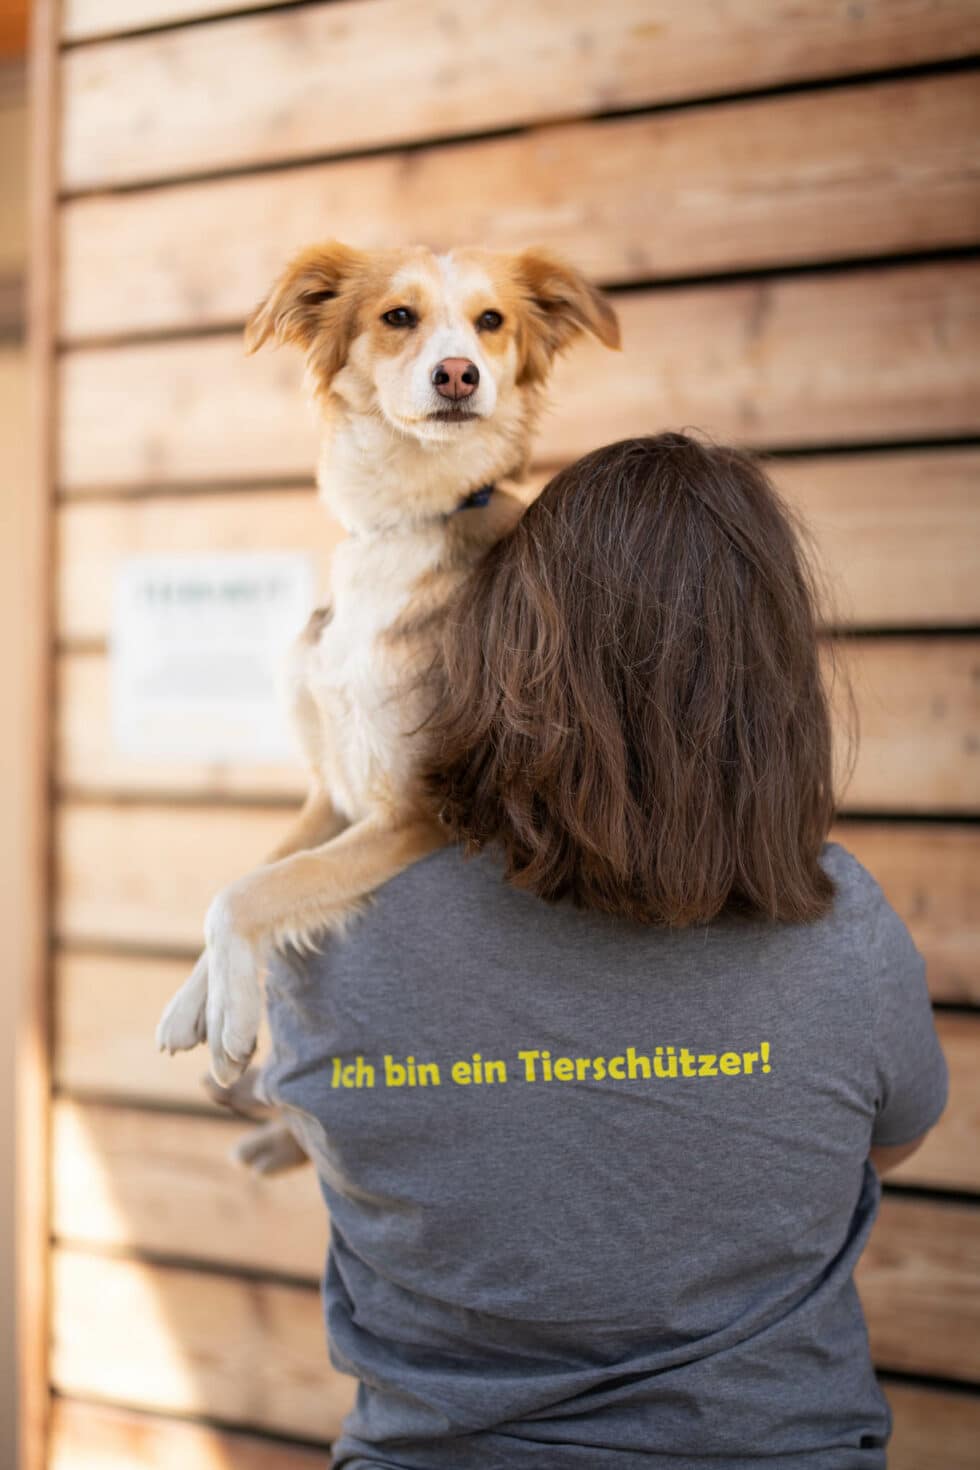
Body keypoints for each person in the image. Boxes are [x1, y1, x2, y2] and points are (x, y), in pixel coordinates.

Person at [261, 433, 948, 1469]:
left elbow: (340, 1140)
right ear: (772, 683)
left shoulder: (328, 926)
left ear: (502, 640)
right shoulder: (840, 927)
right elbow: (886, 1142)